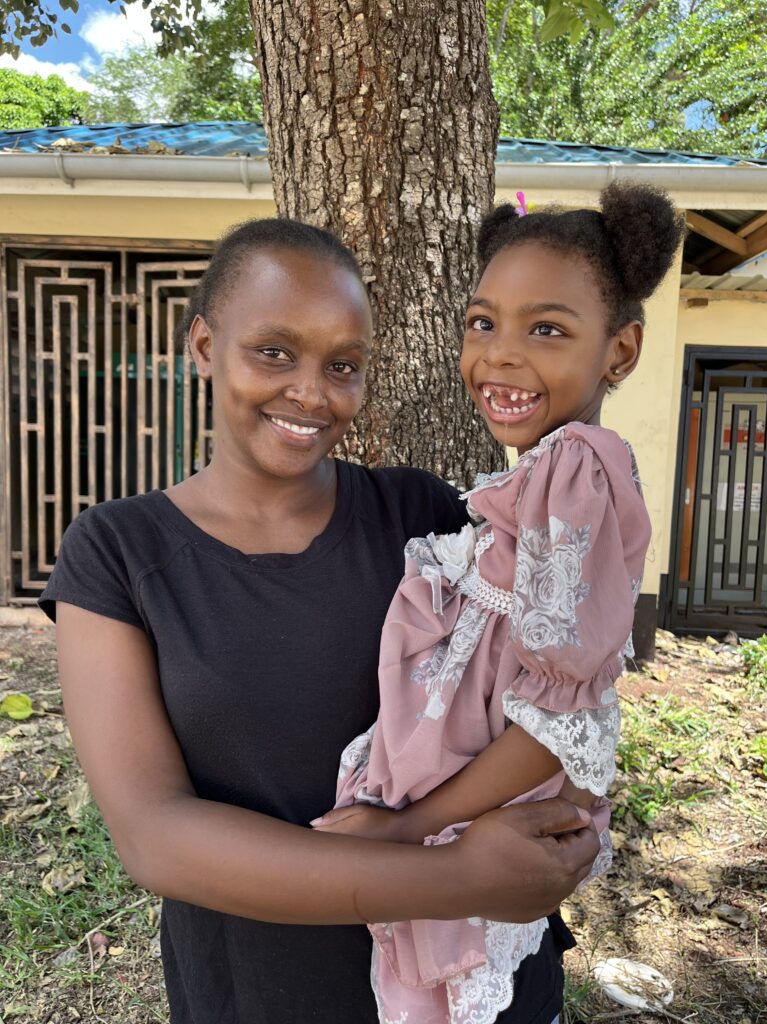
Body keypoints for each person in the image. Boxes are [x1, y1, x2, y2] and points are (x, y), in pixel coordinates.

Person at [39, 219, 601, 1024]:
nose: (311, 391)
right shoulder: (119, 552)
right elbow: (153, 833)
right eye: (274, 351)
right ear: (203, 345)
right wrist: (458, 875)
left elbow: (545, 699)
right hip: (270, 990)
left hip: (475, 983)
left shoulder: (423, 514)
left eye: (343, 365)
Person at [312, 183, 685, 1023]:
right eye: (484, 323)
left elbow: (560, 716)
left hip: (483, 800)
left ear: (619, 353)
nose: (501, 355)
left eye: (546, 329)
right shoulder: (544, 472)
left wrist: (407, 833)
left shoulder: (576, 467)